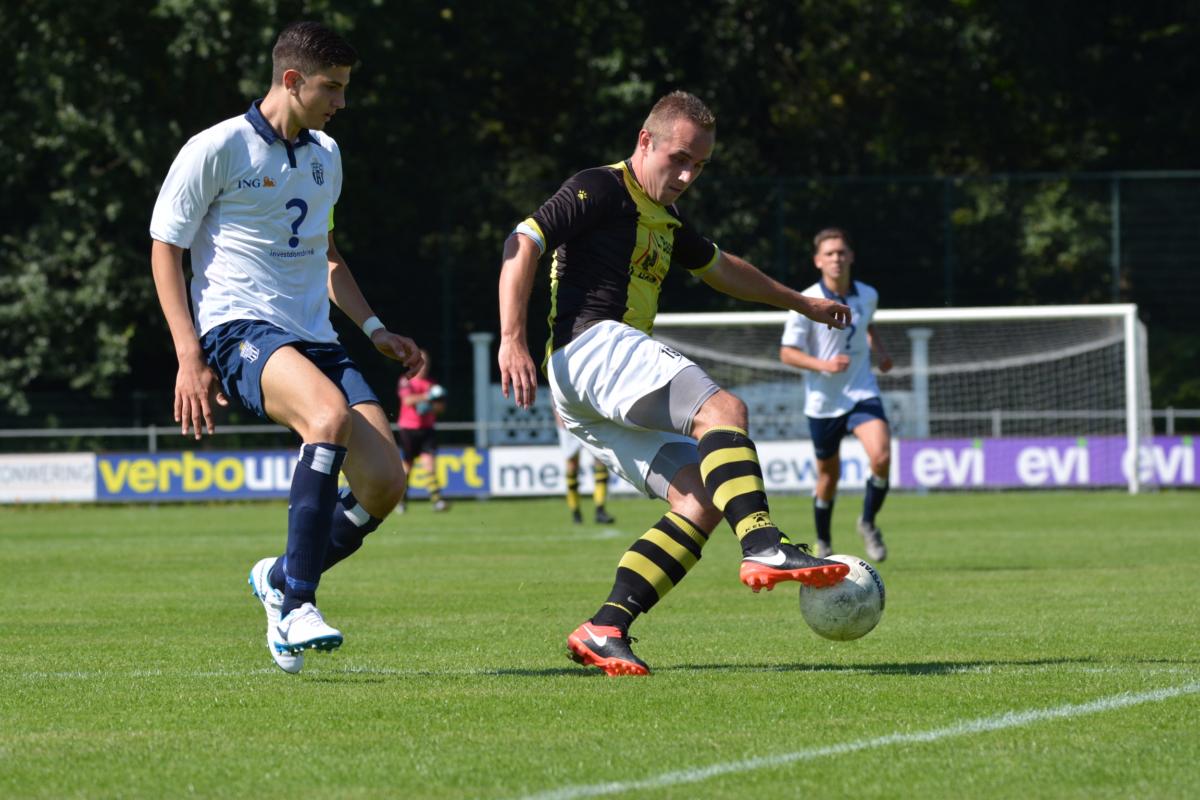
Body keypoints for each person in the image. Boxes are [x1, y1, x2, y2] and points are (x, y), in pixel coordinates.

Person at [498, 90, 853, 676]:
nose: (687, 175)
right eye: (679, 159)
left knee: (701, 499)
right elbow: (523, 240)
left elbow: (722, 269)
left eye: (700, 165)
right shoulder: (601, 187)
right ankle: (763, 540)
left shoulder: (664, 215)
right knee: (722, 409)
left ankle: (606, 626)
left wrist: (801, 303)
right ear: (645, 141)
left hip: (586, 386)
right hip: (592, 346)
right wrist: (512, 337)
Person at [149, 21, 421, 674]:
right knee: (324, 418)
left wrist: (374, 326)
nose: (341, 103)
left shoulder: (326, 154)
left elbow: (327, 257)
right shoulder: (218, 148)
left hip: (317, 338)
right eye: (332, 88)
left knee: (385, 484)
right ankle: (298, 604)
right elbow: (166, 247)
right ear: (291, 81)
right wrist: (189, 354)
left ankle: (278, 575)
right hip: (240, 331)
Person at [779, 228, 894, 562]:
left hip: (861, 390)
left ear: (851, 256)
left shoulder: (868, 294)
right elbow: (787, 353)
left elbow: (867, 324)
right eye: (829, 253)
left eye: (841, 252)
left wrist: (881, 351)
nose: (836, 258)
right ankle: (824, 540)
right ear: (818, 261)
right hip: (823, 402)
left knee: (882, 457)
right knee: (829, 476)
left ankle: (868, 522)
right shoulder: (806, 300)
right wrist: (823, 364)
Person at [396, 349, 448, 513]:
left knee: (429, 465)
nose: (424, 367)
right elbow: (408, 400)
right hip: (408, 429)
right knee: (407, 467)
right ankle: (401, 501)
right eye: (420, 362)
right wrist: (428, 397)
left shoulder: (432, 384)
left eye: (426, 363)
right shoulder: (406, 381)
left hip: (427, 429)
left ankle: (437, 500)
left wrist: (433, 406)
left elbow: (440, 408)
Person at [554, 410, 615, 525]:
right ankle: (575, 511)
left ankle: (600, 509)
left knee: (600, 460)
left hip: (589, 420)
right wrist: (559, 418)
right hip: (568, 421)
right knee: (572, 466)